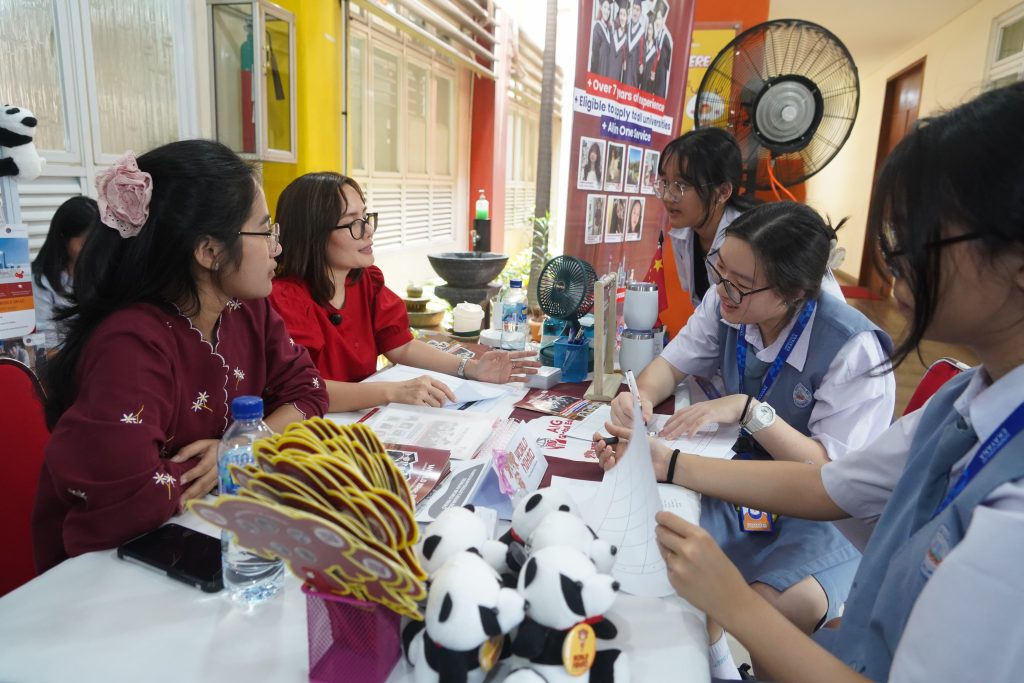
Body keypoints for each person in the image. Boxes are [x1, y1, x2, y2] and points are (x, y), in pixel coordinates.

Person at [602, 83, 1024, 682]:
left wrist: (733, 603)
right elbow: (831, 487)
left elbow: (826, 486)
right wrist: (662, 457)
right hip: (780, 512)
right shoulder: (966, 399)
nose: (896, 263)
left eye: (923, 237)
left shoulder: (853, 348)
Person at [604, 201, 895, 678]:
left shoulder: (854, 349)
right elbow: (670, 365)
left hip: (822, 519)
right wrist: (637, 401)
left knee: (769, 611)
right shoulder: (727, 305)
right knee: (657, 555)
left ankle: (725, 659)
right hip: (744, 487)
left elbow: (830, 480)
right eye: (719, 271)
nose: (722, 291)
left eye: (740, 284)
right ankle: (716, 657)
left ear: (794, 292)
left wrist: (749, 411)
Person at [33, 141, 329, 572]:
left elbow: (309, 391)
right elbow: (130, 495)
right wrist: (225, 461)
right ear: (209, 251)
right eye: (265, 232)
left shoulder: (248, 309)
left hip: (201, 531)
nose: (276, 249)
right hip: (111, 572)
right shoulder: (131, 344)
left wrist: (242, 445)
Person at [268, 172, 539, 413]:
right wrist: (392, 392)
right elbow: (306, 389)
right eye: (353, 223)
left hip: (361, 419)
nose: (368, 231)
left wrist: (472, 368)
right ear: (313, 234)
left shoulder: (365, 282)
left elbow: (402, 345)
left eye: (365, 217)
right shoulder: (284, 300)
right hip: (315, 429)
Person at [31, 196, 98, 350]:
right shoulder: (41, 281)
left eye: (98, 243)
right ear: (64, 238)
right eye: (85, 244)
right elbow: (46, 345)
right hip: (66, 359)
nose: (93, 251)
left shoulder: (102, 269)